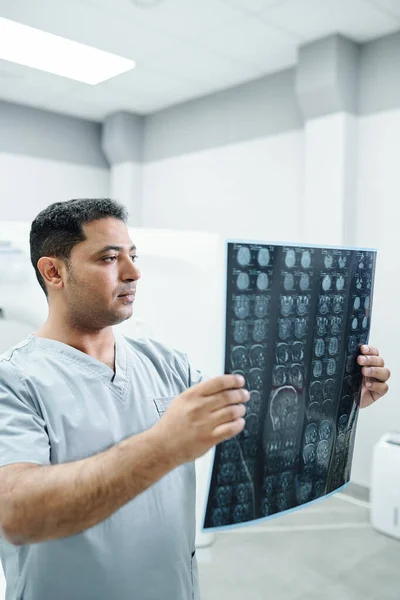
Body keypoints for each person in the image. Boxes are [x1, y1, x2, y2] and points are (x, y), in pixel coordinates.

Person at [0, 198, 391, 600]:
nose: (134, 273)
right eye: (109, 258)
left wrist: (336, 397)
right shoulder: (14, 381)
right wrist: (165, 444)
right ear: (54, 271)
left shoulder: (167, 363)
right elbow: (17, 514)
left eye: (132, 256)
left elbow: (250, 423)